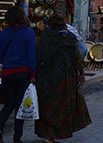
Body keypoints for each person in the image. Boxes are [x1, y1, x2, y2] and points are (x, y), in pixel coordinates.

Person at [35, 15, 91, 143]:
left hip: (46, 78)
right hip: (65, 79)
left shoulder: (45, 37)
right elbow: (77, 58)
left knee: (48, 106)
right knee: (62, 106)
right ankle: (52, 135)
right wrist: (81, 73)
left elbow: (39, 55)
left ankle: (48, 134)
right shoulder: (69, 37)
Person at [0, 6, 36, 143]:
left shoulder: (3, 33)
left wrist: (7, 62)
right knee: (20, 107)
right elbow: (31, 55)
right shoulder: (29, 33)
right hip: (23, 74)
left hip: (7, 73)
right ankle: (17, 138)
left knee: (8, 104)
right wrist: (33, 74)